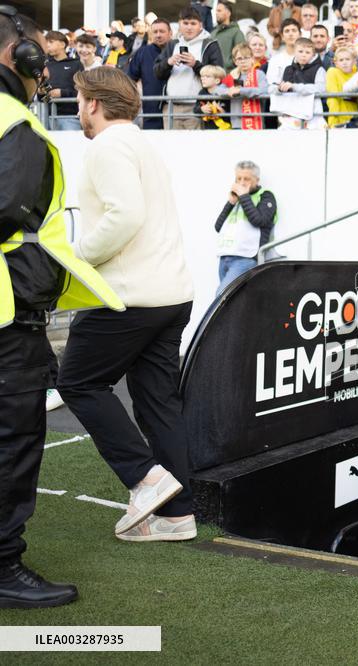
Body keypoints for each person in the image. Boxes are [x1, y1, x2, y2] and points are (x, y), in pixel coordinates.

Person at [0, 7, 122, 610]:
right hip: (6, 318)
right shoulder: (14, 123)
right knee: (12, 440)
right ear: (19, 56)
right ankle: (2, 566)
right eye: (36, 52)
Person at [59, 67, 197, 544]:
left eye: (79, 100)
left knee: (77, 382)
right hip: (170, 294)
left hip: (128, 296)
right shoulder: (142, 144)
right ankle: (177, 517)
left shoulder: (107, 145)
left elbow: (126, 215)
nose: (78, 109)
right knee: (158, 404)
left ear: (94, 104)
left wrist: (76, 257)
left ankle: (145, 478)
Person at [154, 6, 224, 130]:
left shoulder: (210, 44)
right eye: (185, 23)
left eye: (193, 23)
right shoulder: (172, 44)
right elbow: (157, 72)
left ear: (200, 25)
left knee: (196, 143)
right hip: (171, 106)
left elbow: (219, 75)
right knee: (171, 143)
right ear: (179, 24)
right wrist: (168, 62)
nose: (189, 27)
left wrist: (195, 64)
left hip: (198, 107)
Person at [215, 160, 277, 294]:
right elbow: (218, 226)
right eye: (238, 178)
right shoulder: (237, 200)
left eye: (246, 179)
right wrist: (231, 203)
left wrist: (244, 196)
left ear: (257, 180)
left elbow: (259, 220)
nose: (241, 182)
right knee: (234, 300)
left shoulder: (265, 196)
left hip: (246, 258)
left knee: (222, 295)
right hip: (225, 257)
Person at [273, 37, 326, 129]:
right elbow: (274, 87)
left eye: (307, 52)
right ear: (294, 52)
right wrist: (279, 88)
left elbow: (321, 88)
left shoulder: (319, 69)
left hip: (313, 113)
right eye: (300, 51)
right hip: (290, 112)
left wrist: (294, 87)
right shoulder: (288, 69)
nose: (303, 55)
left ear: (313, 54)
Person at [127, 18, 171, 129]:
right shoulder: (143, 52)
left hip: (175, 112)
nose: (158, 35)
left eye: (162, 31)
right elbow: (129, 80)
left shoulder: (177, 50)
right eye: (155, 32)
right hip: (151, 113)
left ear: (170, 33)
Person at [43, 30, 82, 130]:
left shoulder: (76, 64)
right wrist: (41, 92)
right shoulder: (44, 65)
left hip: (70, 117)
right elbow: (40, 97)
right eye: (46, 42)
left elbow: (82, 92)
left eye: (51, 42)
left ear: (62, 44)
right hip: (46, 116)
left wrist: (62, 93)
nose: (47, 45)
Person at [224, 43, 269, 129]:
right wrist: (229, 91)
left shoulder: (259, 74)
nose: (243, 61)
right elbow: (217, 90)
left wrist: (240, 91)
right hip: (237, 123)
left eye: (246, 58)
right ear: (235, 61)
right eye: (239, 58)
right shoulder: (232, 76)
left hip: (256, 123)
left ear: (252, 59)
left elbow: (264, 90)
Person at [327, 46, 358, 127]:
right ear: (336, 63)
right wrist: (332, 122)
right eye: (341, 60)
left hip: (357, 120)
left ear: (354, 61)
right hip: (339, 121)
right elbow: (332, 99)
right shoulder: (332, 72)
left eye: (347, 59)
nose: (344, 62)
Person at [211, 0, 246, 72]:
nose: (216, 13)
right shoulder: (213, 33)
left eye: (219, 11)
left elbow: (242, 53)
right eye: (216, 11)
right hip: (212, 74)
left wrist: (228, 65)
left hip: (229, 74)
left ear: (228, 13)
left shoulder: (236, 32)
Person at [267, 18, 302, 87]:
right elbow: (271, 86)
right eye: (287, 31)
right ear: (282, 36)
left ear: (300, 34)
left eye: (294, 30)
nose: (290, 34)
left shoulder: (308, 58)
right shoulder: (275, 60)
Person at [197, 64, 231, 130]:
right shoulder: (202, 92)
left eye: (207, 76)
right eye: (202, 76)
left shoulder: (225, 92)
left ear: (217, 81)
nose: (202, 79)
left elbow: (231, 114)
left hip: (226, 129)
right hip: (208, 130)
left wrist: (222, 112)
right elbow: (195, 109)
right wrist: (201, 109)